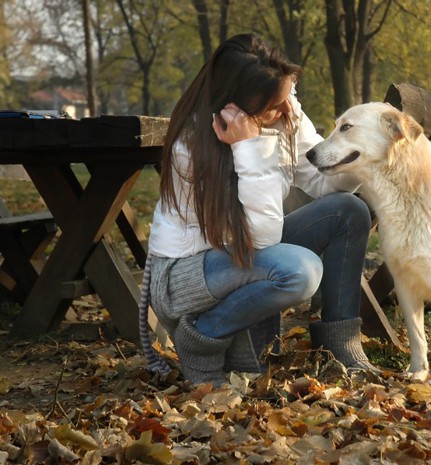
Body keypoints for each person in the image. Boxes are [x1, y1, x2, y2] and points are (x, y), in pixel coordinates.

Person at [138, 33, 378, 387]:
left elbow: (323, 182)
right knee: (301, 272)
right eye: (274, 106)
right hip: (185, 274)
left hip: (239, 253)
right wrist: (250, 148)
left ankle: (338, 345)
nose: (285, 112)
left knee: (349, 211)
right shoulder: (192, 146)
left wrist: (360, 156)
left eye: (287, 98)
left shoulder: (281, 112)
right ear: (234, 108)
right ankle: (201, 337)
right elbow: (263, 237)